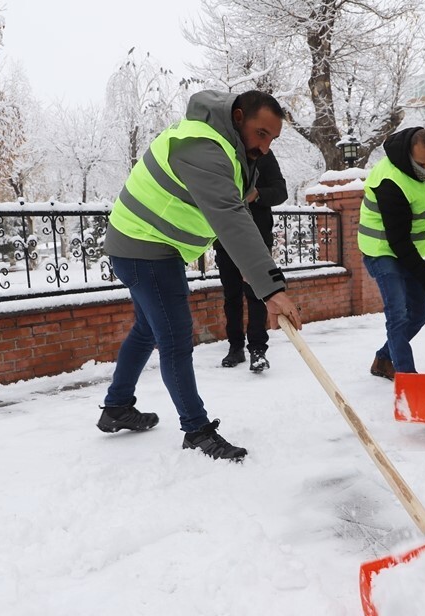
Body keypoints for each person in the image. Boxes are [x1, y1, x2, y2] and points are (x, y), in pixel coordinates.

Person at [96, 89, 303, 462]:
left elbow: (234, 208)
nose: (266, 146)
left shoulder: (224, 145)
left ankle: (116, 408)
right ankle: (196, 430)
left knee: (146, 330)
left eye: (273, 138)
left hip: (143, 245)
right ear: (238, 117)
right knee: (175, 339)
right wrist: (271, 289)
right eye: (262, 134)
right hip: (145, 247)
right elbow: (231, 216)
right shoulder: (203, 146)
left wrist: (250, 270)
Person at [357, 127, 425, 381]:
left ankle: (384, 358)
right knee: (398, 313)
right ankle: (407, 376)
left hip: (408, 250)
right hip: (382, 250)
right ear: (409, 154)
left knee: (420, 312)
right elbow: (398, 240)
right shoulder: (390, 181)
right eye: (421, 164)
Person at [215, 149, 288, 373]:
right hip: (225, 236)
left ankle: (258, 349)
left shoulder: (263, 154)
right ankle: (235, 347)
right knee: (232, 295)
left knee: (257, 294)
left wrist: (257, 194)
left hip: (257, 237)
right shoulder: (222, 153)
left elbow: (280, 191)